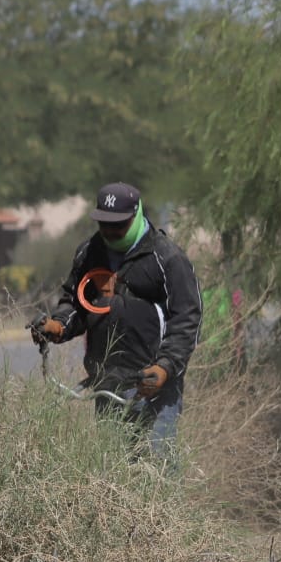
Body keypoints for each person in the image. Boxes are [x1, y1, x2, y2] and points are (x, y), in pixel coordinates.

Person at [30, 182, 202, 456]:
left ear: (136, 215)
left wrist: (165, 367)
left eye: (119, 224)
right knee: (112, 466)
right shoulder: (89, 253)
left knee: (156, 466)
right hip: (106, 385)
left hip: (152, 387)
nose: (110, 231)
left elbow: (187, 319)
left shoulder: (166, 257)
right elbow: (76, 303)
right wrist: (58, 326)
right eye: (105, 224)